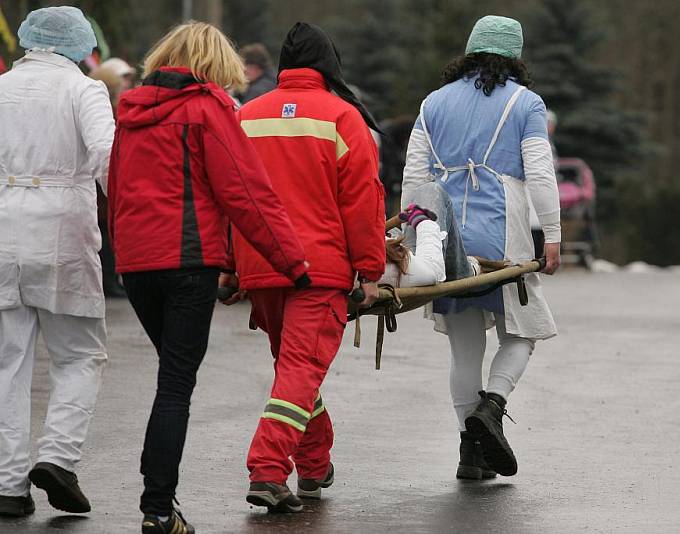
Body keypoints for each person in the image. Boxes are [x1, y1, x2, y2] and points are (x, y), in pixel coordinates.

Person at [107, 22, 308, 533]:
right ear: (215, 63)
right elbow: (246, 194)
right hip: (187, 264)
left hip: (136, 265)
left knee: (169, 380)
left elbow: (116, 190)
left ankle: (159, 501)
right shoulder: (208, 109)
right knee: (175, 386)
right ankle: (156, 506)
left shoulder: (128, 113)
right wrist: (293, 264)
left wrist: (120, 257)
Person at [229, 22, 385, 513]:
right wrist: (371, 270)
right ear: (329, 65)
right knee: (301, 368)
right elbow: (361, 201)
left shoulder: (246, 116)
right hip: (319, 269)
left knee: (294, 371)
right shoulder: (342, 117)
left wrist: (229, 264)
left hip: (262, 264)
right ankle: (268, 469)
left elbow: (226, 195)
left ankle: (315, 465)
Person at [402, 15, 562, 480]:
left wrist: (414, 245)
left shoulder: (432, 103)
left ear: (470, 51)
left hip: (444, 235)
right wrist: (551, 234)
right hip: (502, 233)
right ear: (515, 57)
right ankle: (491, 407)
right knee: (523, 332)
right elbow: (539, 170)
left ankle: (470, 455)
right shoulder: (526, 103)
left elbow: (414, 179)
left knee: (463, 350)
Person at [0, 6, 114, 517]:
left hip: (3, 223)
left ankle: (7, 484)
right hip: (64, 226)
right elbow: (109, 156)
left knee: (8, 362)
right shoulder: (84, 90)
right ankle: (58, 457)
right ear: (80, 44)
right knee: (79, 352)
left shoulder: (1, 89)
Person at [88, 66, 127, 298]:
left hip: (99, 186)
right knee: (105, 234)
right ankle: (109, 281)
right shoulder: (108, 111)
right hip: (102, 185)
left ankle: (111, 280)